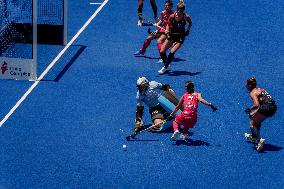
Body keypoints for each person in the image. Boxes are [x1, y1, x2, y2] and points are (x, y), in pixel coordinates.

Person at [158, 0, 192, 74]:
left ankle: (165, 67)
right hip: (172, 35)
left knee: (172, 52)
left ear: (183, 10)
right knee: (162, 51)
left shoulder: (186, 16)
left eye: (182, 10)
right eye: (179, 10)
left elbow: (190, 23)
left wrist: (188, 30)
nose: (180, 12)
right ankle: (166, 63)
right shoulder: (172, 16)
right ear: (177, 9)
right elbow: (168, 24)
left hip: (180, 36)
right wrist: (167, 30)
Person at [244, 77, 277, 152]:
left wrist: (249, 109)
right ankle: (255, 135)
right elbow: (262, 104)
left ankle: (259, 141)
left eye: (246, 85)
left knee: (252, 123)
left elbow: (256, 104)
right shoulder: (260, 89)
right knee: (256, 121)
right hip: (273, 108)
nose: (246, 86)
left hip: (266, 107)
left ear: (249, 86)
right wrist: (254, 112)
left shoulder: (252, 93)